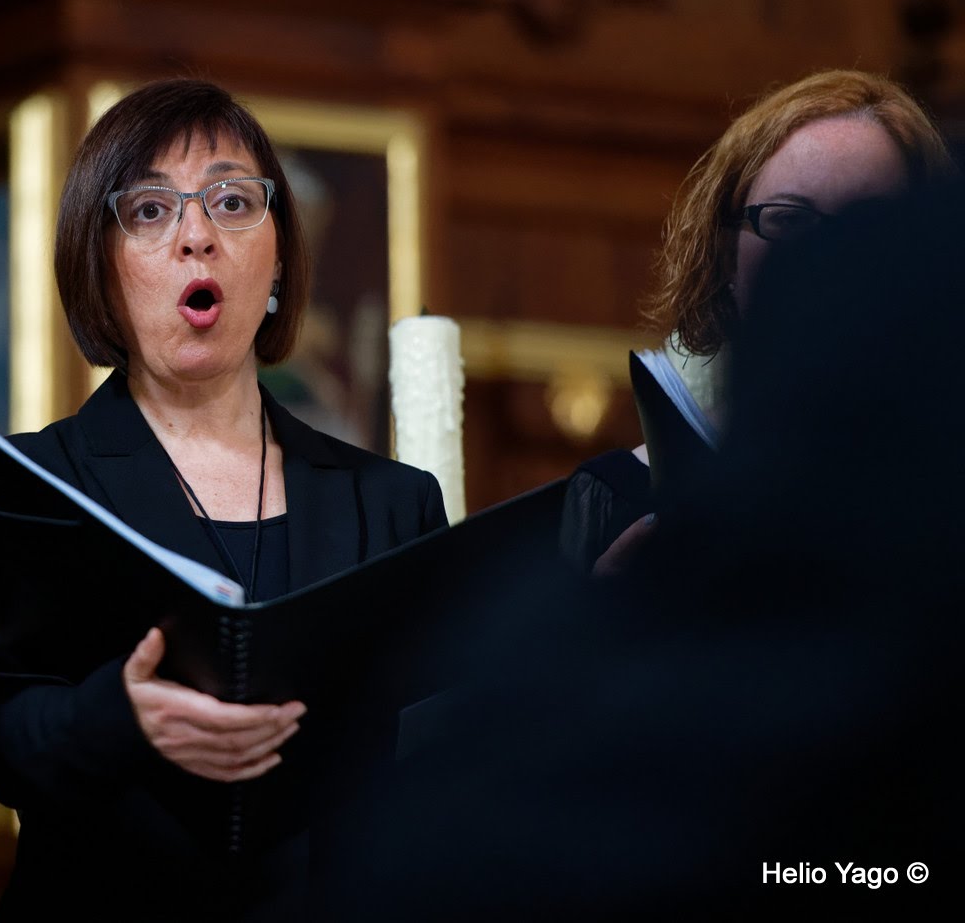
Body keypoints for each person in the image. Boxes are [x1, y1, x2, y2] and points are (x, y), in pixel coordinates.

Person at [318, 187, 964, 920]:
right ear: (725, 257)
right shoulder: (604, 537)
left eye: (865, 211)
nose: (829, 252)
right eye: (789, 219)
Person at [0, 78, 448, 920]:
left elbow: (433, 766)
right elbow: (3, 737)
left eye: (230, 201)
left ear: (281, 256)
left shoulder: (390, 505)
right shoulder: (30, 483)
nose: (196, 236)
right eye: (150, 211)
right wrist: (121, 715)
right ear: (99, 264)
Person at [560, 69, 955, 573]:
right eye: (790, 221)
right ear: (726, 255)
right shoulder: (618, 494)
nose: (824, 262)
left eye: (866, 228)